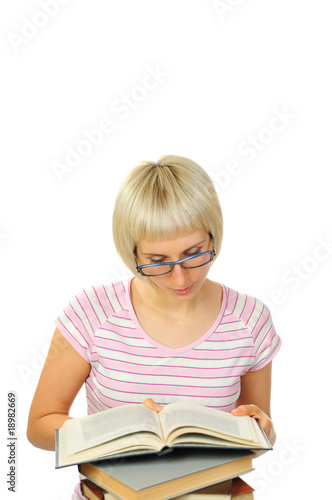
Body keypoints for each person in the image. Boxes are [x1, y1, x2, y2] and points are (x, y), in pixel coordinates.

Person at [27, 155, 281, 499]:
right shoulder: (92, 313)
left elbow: (254, 435)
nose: (180, 277)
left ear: (213, 236)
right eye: (157, 261)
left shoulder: (251, 320)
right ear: (132, 253)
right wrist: (115, 432)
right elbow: (38, 426)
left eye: (194, 253)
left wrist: (262, 430)